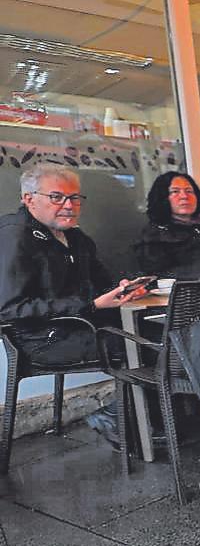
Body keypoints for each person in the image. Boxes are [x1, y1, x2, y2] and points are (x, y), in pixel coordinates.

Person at [0, 164, 147, 448]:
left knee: (157, 333)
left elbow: (101, 284)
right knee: (139, 346)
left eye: (75, 198)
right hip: (41, 339)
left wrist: (122, 290)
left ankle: (142, 419)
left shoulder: (76, 237)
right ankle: (116, 417)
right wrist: (90, 304)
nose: (69, 206)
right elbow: (8, 309)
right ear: (29, 199)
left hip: (81, 325)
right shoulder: (13, 236)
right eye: (57, 197)